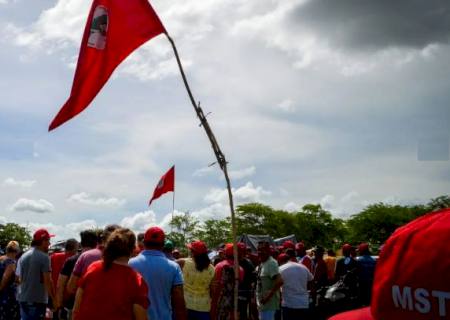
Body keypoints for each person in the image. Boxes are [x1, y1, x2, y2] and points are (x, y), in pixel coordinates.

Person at [329, 207, 450, 320]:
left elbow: (337, 274)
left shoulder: (350, 261)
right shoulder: (367, 261)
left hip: (356, 288)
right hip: (364, 288)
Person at [72, 228, 148, 320]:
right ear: (132, 250)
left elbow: (77, 305)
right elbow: (141, 316)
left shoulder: (94, 267)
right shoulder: (137, 280)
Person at [129, 226, 187, 320]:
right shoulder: (174, 267)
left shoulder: (130, 264)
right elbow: (179, 301)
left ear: (144, 243)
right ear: (163, 244)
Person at [56, 230, 98, 320]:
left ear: (81, 243)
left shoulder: (71, 261)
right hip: (95, 306)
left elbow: (60, 285)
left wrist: (59, 306)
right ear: (96, 243)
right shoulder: (103, 260)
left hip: (72, 305)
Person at [67, 224, 119, 294]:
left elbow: (70, 287)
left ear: (102, 238)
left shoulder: (86, 256)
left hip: (87, 301)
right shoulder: (126, 260)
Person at [17, 228, 56, 320]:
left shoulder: (24, 255)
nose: (49, 244)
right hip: (37, 300)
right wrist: (54, 299)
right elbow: (48, 281)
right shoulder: (44, 257)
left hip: (23, 298)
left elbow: (19, 279)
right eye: (48, 241)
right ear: (43, 241)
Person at [179, 240, 215, 320]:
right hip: (204, 307)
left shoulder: (183, 263)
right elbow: (212, 291)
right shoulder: (212, 269)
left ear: (193, 253)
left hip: (186, 304)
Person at [211, 243, 244, 320]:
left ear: (226, 253)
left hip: (219, 303)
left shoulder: (219, 266)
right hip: (233, 303)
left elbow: (214, 286)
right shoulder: (240, 269)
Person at [279, 248, 313, 320]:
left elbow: (277, 285)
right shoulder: (304, 267)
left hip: (289, 305)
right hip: (303, 303)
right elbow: (311, 280)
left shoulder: (281, 269)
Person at [256, 241, 283, 320]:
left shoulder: (271, 263)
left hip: (269, 305)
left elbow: (279, 281)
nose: (260, 252)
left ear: (268, 250)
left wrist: (268, 296)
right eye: (258, 249)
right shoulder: (263, 262)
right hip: (263, 305)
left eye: (262, 249)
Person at [0, 240, 21, 320]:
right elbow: (6, 277)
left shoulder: (1, 258)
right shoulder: (11, 262)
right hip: (7, 296)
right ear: (17, 251)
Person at [238, 243, 256, 320]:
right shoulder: (233, 262)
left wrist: (252, 293)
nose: (242, 254)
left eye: (243, 252)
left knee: (243, 312)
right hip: (235, 292)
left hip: (244, 291)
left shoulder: (249, 263)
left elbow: (254, 278)